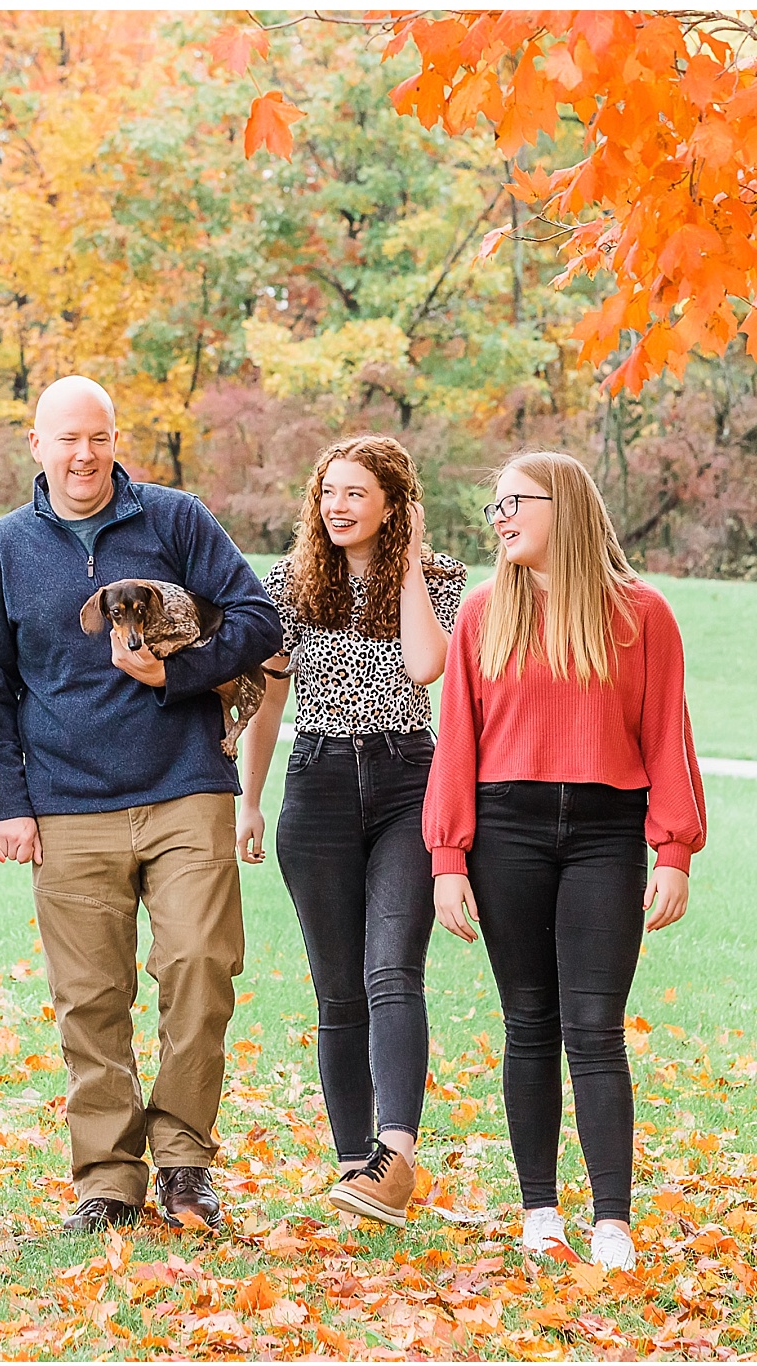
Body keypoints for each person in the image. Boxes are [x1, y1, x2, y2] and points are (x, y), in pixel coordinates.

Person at [0, 375, 282, 1233]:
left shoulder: (175, 520)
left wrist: (179, 675)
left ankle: (184, 1165)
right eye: (66, 439)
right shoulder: (1, 550)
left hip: (184, 787)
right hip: (67, 804)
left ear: (114, 440)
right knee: (90, 997)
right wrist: (9, 801)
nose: (83, 455)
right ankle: (108, 1181)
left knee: (199, 969)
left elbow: (260, 618)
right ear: (36, 445)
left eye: (98, 438)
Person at [424, 451, 705, 1272]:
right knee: (530, 1025)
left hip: (606, 835)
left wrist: (675, 848)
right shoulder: (482, 612)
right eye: (495, 506)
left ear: (567, 505)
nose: (502, 517)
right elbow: (457, 747)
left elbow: (668, 738)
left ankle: (611, 1219)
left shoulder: (642, 613)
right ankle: (540, 1210)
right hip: (506, 834)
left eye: (517, 502)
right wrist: (447, 858)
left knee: (595, 1029)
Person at [236, 435, 465, 1228]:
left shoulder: (441, 581)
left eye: (356, 493)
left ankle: (395, 1155)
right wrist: (249, 801)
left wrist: (404, 564)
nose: (336, 506)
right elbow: (267, 704)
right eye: (328, 491)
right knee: (338, 990)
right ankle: (353, 1167)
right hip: (319, 782)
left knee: (391, 969)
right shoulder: (291, 586)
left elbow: (427, 666)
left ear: (393, 506)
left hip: (410, 782)